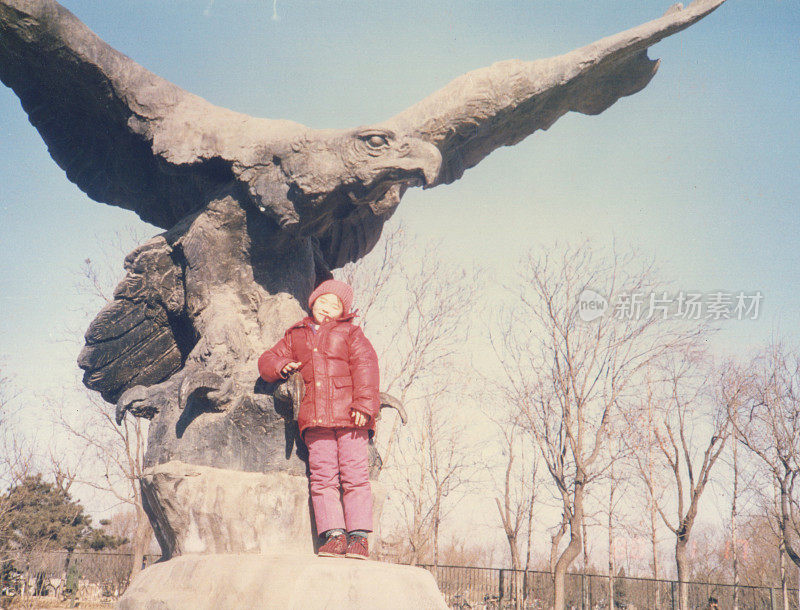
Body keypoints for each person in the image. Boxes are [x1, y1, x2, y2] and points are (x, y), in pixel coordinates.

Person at [258, 279, 380, 559]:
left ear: (343, 311)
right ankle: (334, 535)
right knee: (323, 479)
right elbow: (267, 360)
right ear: (312, 302)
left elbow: (366, 367)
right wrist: (280, 365)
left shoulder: (351, 333)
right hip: (316, 420)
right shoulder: (296, 335)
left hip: (352, 419)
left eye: (334, 304)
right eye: (322, 301)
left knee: (355, 476)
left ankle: (359, 537)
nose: (326, 308)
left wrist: (364, 405)